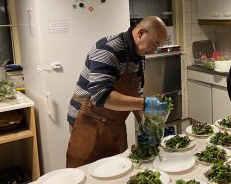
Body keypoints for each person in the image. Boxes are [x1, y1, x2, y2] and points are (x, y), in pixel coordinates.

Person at [66, 16, 169, 168]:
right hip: (88, 121)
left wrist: (144, 123)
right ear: (141, 33)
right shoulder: (107, 49)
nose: (154, 51)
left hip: (115, 124)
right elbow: (101, 96)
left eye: (158, 46)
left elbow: (136, 94)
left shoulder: (140, 58)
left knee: (118, 170)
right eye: (154, 44)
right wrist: (145, 104)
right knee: (87, 173)